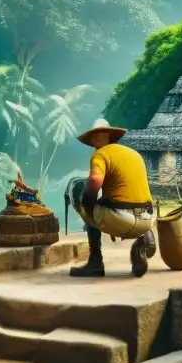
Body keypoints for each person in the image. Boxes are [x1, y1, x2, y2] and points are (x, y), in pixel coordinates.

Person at [68, 119, 157, 278]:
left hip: (122, 219)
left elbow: (94, 184)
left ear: (110, 136)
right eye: (92, 138)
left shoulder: (100, 155)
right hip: (148, 217)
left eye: (98, 135)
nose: (94, 140)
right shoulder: (134, 154)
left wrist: (89, 211)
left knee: (82, 198)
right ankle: (143, 237)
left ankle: (95, 261)